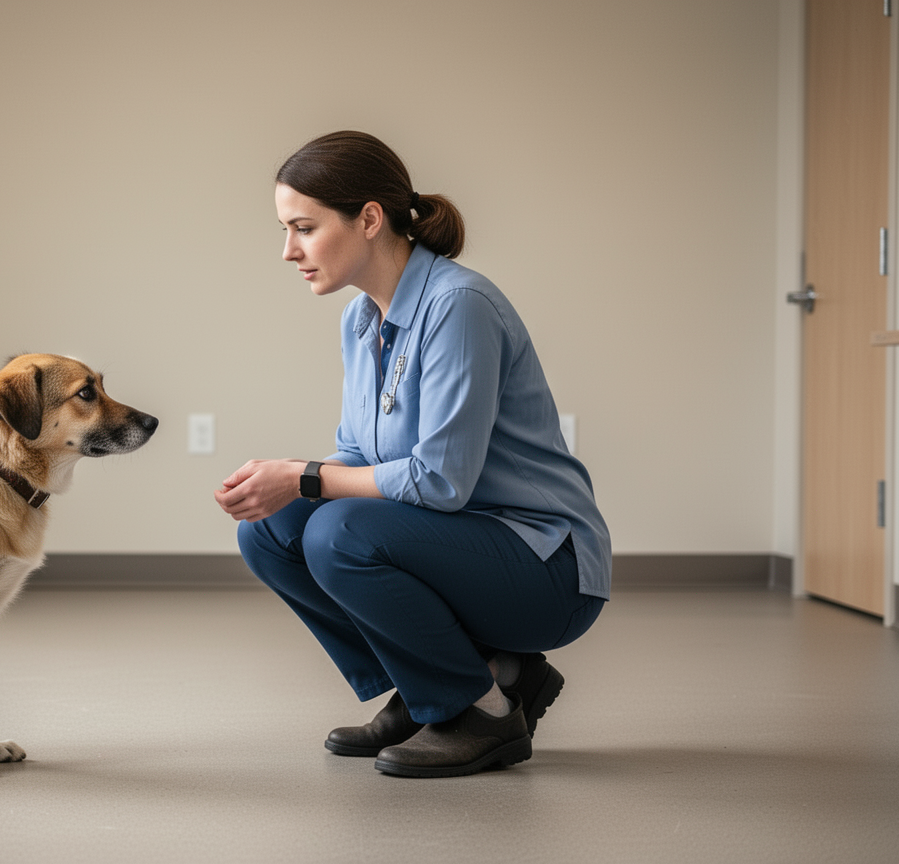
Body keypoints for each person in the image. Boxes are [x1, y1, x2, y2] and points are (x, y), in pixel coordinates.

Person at [214, 131, 610, 778]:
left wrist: (303, 477)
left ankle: (480, 710)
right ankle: (442, 685)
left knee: (340, 531)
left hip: (547, 569)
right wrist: (286, 484)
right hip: (461, 543)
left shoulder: (459, 305)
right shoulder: (362, 318)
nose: (289, 251)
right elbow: (357, 453)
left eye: (304, 228)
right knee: (272, 530)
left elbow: (442, 482)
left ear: (369, 218)